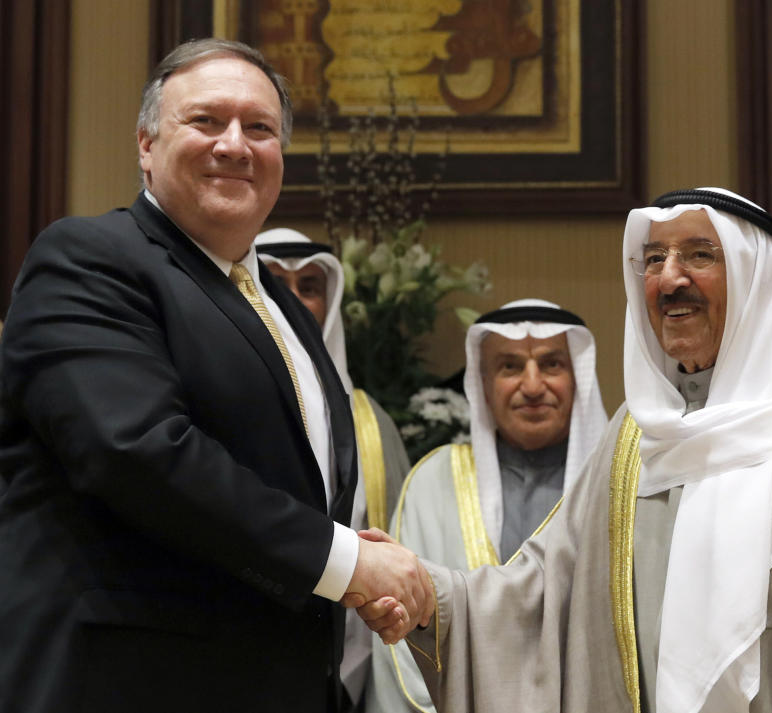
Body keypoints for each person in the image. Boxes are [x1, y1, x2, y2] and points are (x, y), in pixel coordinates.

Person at [357, 188, 772, 713]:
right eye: (653, 260)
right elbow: (544, 595)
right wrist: (428, 594)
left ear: (754, 278)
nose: (670, 279)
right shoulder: (635, 437)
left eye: (699, 254)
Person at [0, 38, 430, 713]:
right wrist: (341, 560)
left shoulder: (284, 307)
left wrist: (356, 569)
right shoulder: (89, 259)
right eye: (206, 121)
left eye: (259, 128)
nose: (235, 144)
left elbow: (286, 482)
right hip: (125, 685)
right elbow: (136, 451)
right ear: (146, 144)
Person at [364, 298, 607, 713]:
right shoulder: (433, 480)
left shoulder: (614, 483)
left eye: (551, 365)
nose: (532, 387)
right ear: (483, 384)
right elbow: (399, 635)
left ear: (578, 377)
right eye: (510, 367)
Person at [255, 228, 411, 710]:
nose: (295, 300)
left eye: (309, 286)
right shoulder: (227, 402)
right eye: (276, 283)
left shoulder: (368, 420)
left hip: (348, 666)